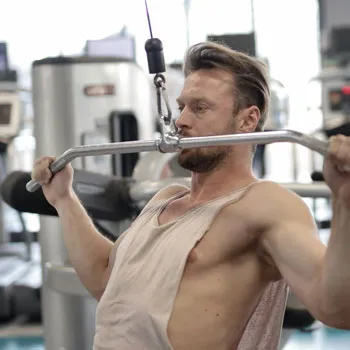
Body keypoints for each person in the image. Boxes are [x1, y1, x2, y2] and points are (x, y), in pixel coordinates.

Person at [31, 42, 350, 350]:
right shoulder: (165, 200)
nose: (181, 120)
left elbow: (335, 309)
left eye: (200, 108)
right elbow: (105, 278)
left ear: (247, 120)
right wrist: (64, 199)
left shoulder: (265, 205)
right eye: (182, 106)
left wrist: (345, 199)